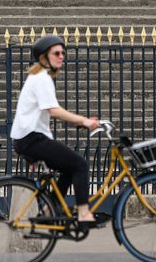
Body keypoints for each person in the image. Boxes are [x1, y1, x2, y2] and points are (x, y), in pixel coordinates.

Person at [10, 35, 101, 224]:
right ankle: (84, 214)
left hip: (29, 138)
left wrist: (79, 122)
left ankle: (49, 208)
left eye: (62, 53)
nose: (61, 56)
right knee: (80, 165)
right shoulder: (41, 78)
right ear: (44, 57)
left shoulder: (37, 76)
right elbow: (54, 111)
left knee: (69, 169)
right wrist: (83, 121)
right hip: (32, 138)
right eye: (56, 53)